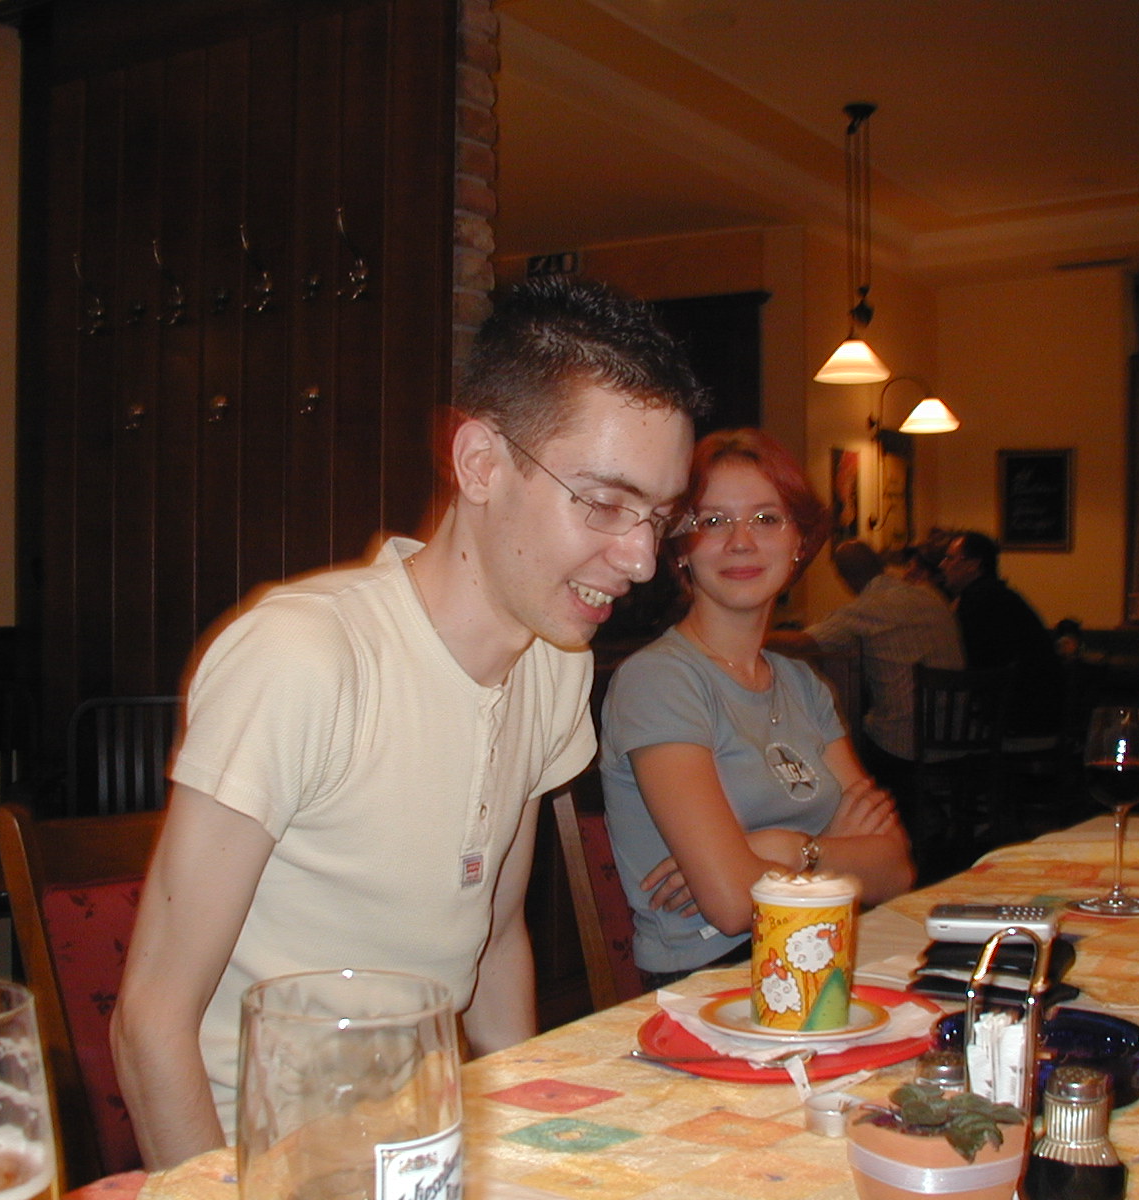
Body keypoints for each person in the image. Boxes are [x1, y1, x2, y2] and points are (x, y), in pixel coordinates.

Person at [110, 277, 707, 1168]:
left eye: (658, 517)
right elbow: (149, 1023)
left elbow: (493, 943)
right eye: (603, 503)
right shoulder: (305, 657)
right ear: (480, 463)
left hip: (423, 1147)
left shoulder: (554, 664)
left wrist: (531, 1145)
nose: (642, 558)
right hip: (264, 1162)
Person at [598, 429, 916, 990]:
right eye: (713, 521)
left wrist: (782, 849)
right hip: (713, 981)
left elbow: (894, 869)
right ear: (680, 548)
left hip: (820, 954)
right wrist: (831, 849)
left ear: (800, 541)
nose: (741, 541)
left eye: (767, 519)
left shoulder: (803, 685)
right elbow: (729, 904)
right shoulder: (659, 681)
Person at [770, 539, 963, 798]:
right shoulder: (929, 595)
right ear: (880, 564)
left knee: (845, 738)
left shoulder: (866, 609)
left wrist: (749, 636)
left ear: (845, 578)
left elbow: (801, 643)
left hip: (905, 744)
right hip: (959, 734)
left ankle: (866, 810)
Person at [938, 530, 1064, 747]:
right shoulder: (1000, 595)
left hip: (1018, 721)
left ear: (973, 564)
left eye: (950, 558)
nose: (942, 565)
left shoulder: (979, 602)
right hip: (1041, 714)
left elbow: (973, 664)